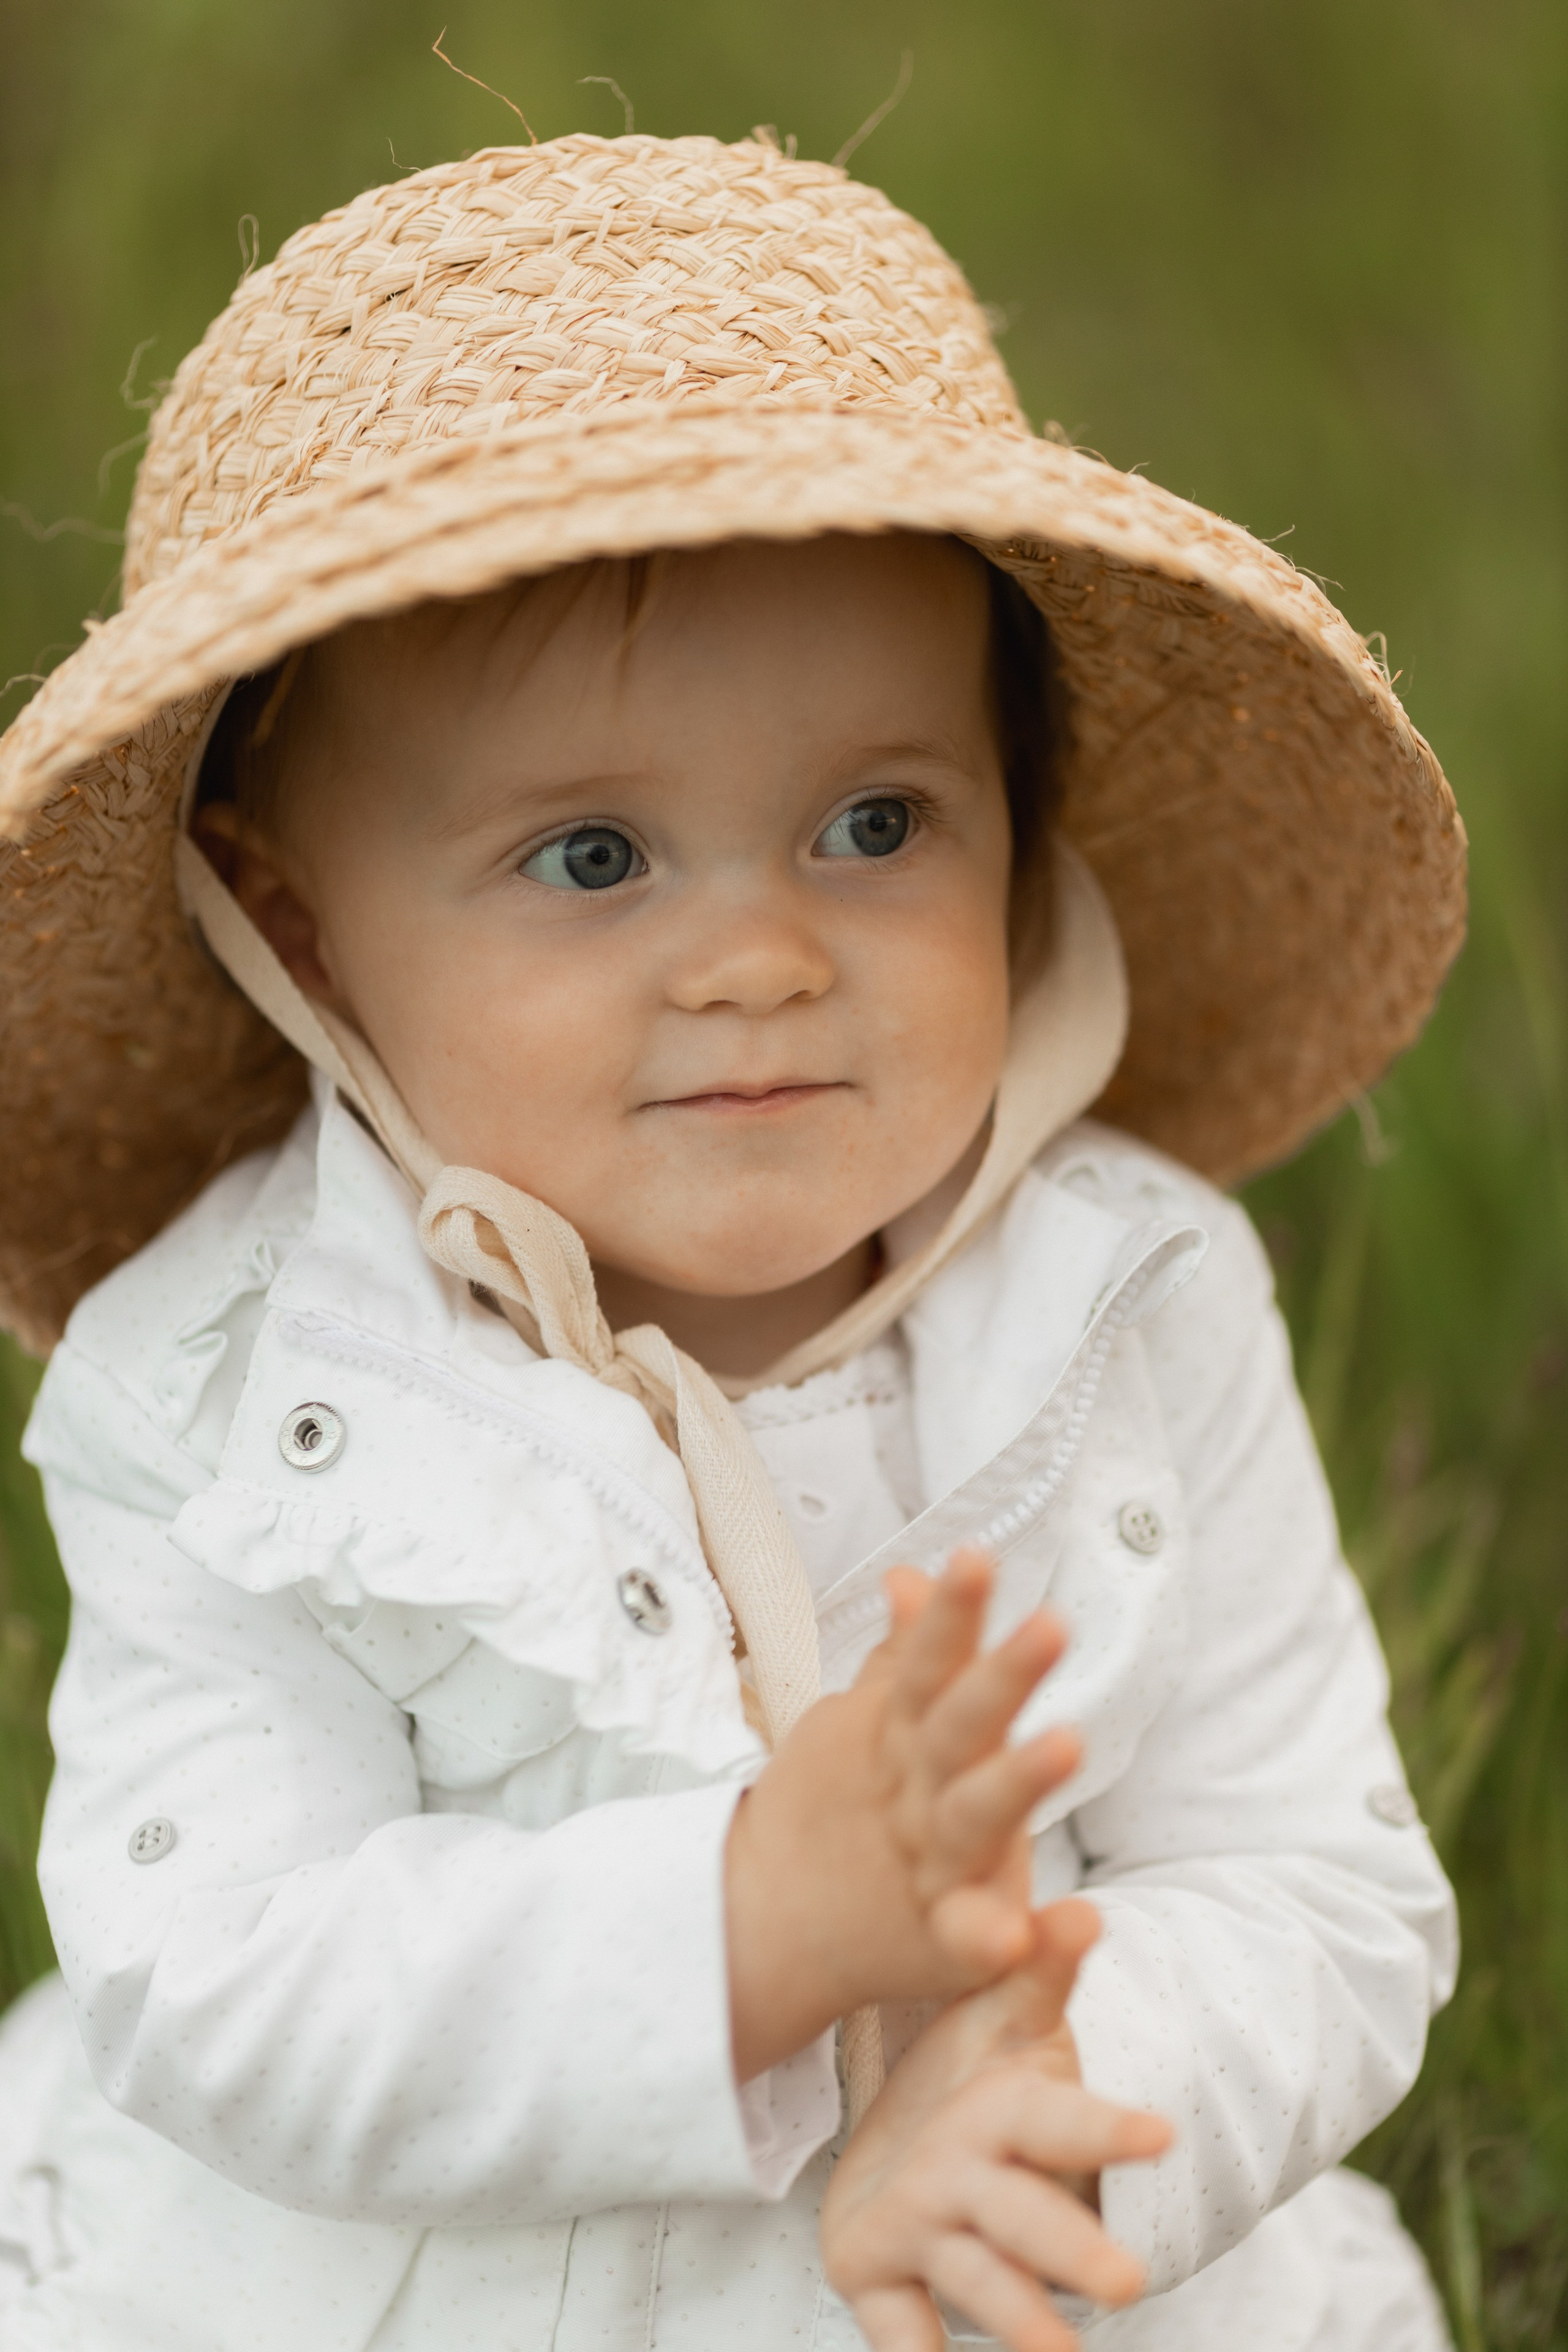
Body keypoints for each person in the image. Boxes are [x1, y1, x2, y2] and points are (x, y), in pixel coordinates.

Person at [0, 132, 1465, 2352]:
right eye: (592, 856)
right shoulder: (214, 1391)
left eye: (875, 824)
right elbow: (215, 1970)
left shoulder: (1137, 1293)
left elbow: (1319, 1882)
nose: (764, 956)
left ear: (1019, 834)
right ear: (298, 929)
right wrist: (734, 1935)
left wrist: (1048, 2088)